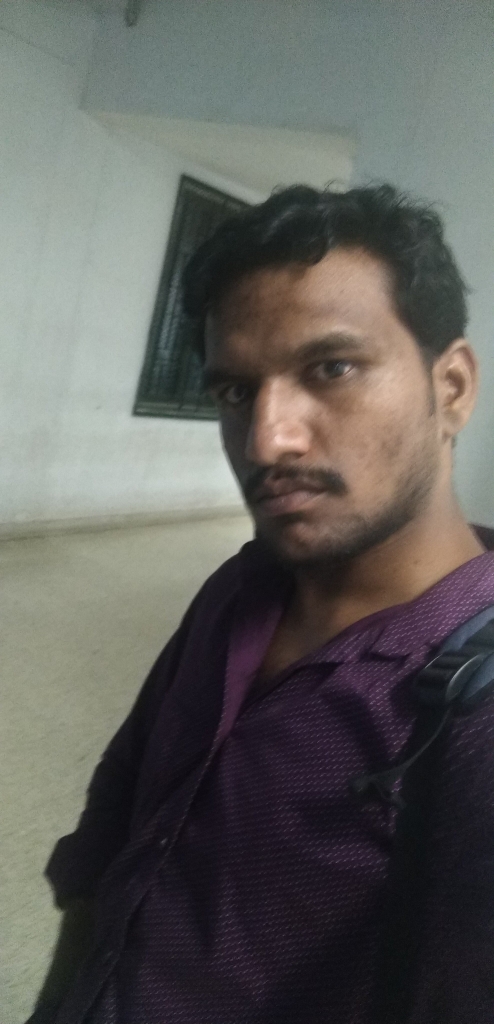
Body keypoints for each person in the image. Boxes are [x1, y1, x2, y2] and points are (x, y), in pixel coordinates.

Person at [31, 184, 494, 1024]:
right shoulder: (241, 588)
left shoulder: (475, 712)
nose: (267, 439)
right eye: (236, 391)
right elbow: (121, 808)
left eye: (331, 369)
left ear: (453, 386)